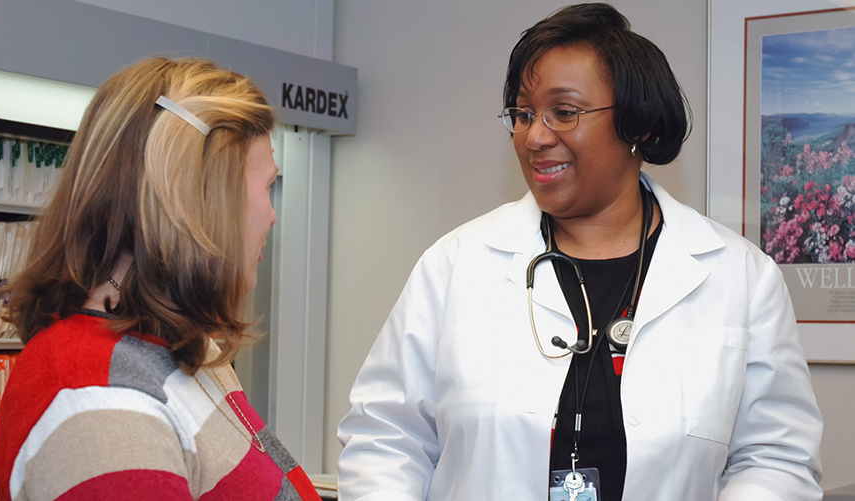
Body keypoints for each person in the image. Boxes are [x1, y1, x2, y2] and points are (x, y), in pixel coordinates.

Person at [337, 4, 822, 500]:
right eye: (524, 114)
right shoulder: (456, 265)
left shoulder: (740, 277)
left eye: (564, 112)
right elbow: (385, 441)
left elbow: (774, 458)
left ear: (640, 126)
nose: (535, 136)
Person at [0, 57, 321, 501]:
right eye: (266, 186)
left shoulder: (181, 350)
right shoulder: (100, 405)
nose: (272, 214)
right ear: (203, 202)